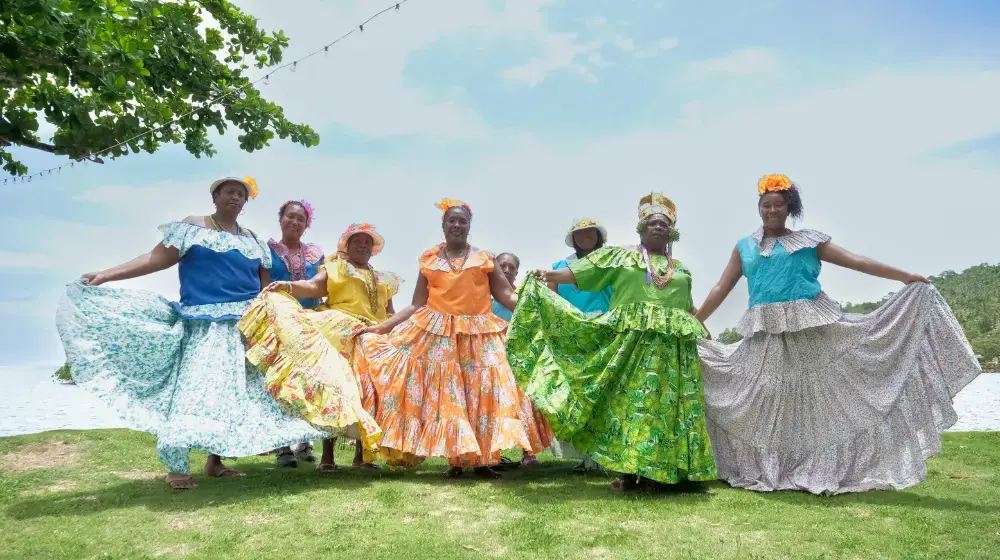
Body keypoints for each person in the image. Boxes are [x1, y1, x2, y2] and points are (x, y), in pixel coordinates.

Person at [694, 174, 982, 494]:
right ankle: (768, 468)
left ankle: (823, 467)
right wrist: (696, 320)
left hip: (813, 330)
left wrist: (904, 277)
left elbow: (856, 261)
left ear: (789, 208)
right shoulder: (745, 246)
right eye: (766, 205)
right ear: (758, 209)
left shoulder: (809, 241)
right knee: (766, 402)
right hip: (767, 336)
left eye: (778, 205)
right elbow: (721, 287)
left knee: (821, 400)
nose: (771, 210)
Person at [56, 177, 336, 490]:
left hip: (244, 326)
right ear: (215, 196)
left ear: (246, 203)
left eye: (241, 194)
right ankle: (177, 468)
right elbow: (156, 258)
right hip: (204, 325)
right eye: (229, 191)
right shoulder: (193, 227)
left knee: (232, 396)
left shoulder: (253, 240)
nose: (235, 197)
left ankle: (215, 462)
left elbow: (264, 289)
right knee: (192, 393)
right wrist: (106, 274)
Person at [507, 194, 717, 491]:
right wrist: (548, 274)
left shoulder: (680, 268)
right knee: (631, 407)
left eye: (664, 223)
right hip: (630, 349)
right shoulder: (622, 257)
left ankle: (661, 472)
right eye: (651, 222)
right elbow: (586, 271)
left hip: (672, 352)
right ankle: (630, 474)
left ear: (672, 232)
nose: (657, 227)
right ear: (641, 228)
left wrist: (706, 333)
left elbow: (687, 307)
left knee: (667, 410)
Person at [354, 199, 548, 479]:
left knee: (484, 395)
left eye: (462, 221)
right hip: (438, 336)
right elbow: (416, 303)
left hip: (480, 335)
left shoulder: (484, 259)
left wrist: (536, 304)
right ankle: (457, 462)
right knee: (451, 397)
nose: (457, 225)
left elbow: (505, 296)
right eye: (451, 221)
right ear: (443, 226)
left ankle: (483, 461)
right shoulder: (429, 260)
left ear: (469, 227)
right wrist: (382, 329)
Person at [239, 223, 398, 471]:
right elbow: (313, 286)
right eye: (357, 241)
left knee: (366, 390)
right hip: (340, 330)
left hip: (372, 337)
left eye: (367, 242)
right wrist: (287, 287)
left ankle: (362, 458)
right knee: (336, 386)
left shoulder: (384, 279)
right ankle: (327, 457)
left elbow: (389, 312)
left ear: (374, 248)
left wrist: (391, 331)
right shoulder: (335, 268)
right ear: (347, 245)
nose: (363, 245)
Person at [547, 218, 613, 473]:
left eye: (590, 233)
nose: (585, 237)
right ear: (573, 239)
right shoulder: (559, 267)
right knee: (579, 395)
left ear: (599, 237)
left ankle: (605, 456)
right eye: (580, 234)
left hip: (606, 332)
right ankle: (586, 456)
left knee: (604, 394)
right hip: (572, 335)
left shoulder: (612, 263)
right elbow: (551, 301)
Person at [266, 200, 326, 468]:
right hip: (276, 323)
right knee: (279, 381)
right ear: (280, 219)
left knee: (307, 382)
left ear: (307, 224)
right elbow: (262, 286)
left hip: (309, 325)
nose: (295, 222)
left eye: (301, 219)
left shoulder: (316, 254)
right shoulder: (267, 251)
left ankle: (304, 441)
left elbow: (323, 286)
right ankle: (282, 446)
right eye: (290, 217)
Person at [491, 252, 553, 468]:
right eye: (502, 266)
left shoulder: (524, 294)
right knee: (493, 402)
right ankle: (492, 453)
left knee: (524, 402)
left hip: (519, 355)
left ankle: (528, 453)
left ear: (517, 271)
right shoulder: (484, 296)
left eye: (511, 267)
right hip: (491, 355)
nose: (507, 270)